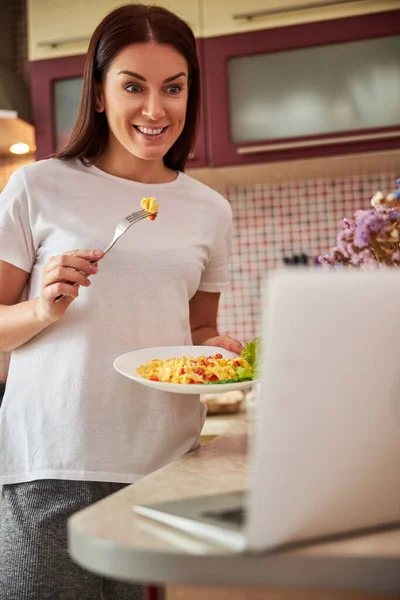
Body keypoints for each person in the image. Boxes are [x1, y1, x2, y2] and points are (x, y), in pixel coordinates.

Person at [0, 4, 242, 599]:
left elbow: (197, 331)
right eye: (133, 86)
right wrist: (41, 309)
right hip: (49, 465)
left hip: (162, 467)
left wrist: (217, 352)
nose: (156, 110)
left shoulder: (210, 209)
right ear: (101, 93)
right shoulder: (38, 185)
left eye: (174, 88)